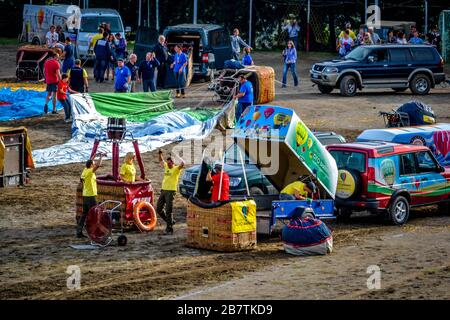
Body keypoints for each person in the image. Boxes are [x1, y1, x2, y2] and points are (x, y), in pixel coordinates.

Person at [156, 150, 184, 235]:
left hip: (171, 191)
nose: (168, 164)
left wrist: (177, 157)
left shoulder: (176, 169)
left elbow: (183, 164)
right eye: (167, 163)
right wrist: (160, 154)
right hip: (163, 190)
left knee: (169, 210)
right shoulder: (166, 166)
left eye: (169, 163)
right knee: (159, 209)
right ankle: (170, 221)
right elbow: (161, 161)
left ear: (173, 163)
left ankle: (169, 229)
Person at [77, 154, 103, 238]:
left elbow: (90, 161)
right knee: (95, 214)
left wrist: (95, 155)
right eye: (93, 164)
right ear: (91, 165)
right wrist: (101, 157)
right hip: (91, 196)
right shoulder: (90, 172)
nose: (94, 164)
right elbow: (98, 165)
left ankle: (79, 231)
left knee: (84, 214)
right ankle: (95, 232)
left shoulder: (85, 170)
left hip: (85, 195)